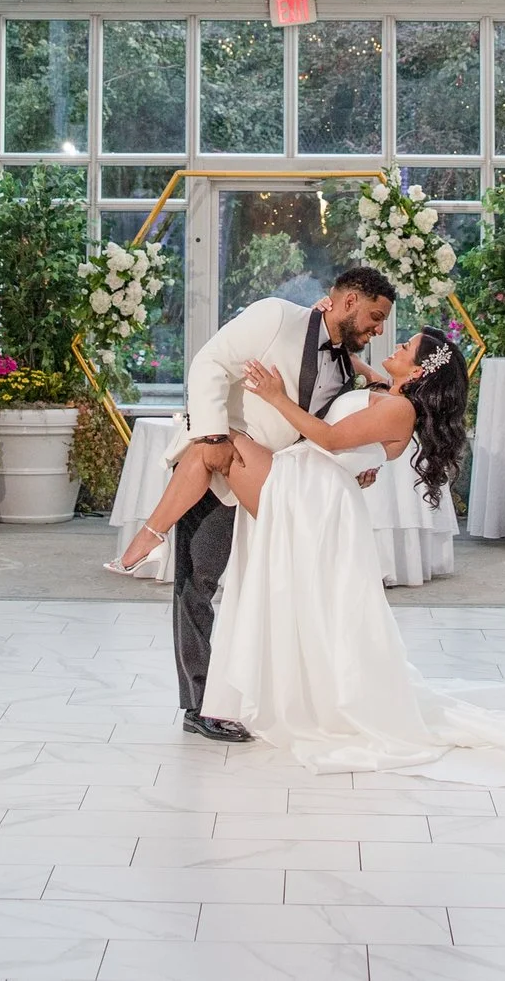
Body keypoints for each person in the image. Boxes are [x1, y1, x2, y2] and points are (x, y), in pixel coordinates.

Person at [201, 327, 505, 788]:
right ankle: (293, 688)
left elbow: (332, 438)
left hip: (316, 500)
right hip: (318, 498)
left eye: (405, 348)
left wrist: (275, 397)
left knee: (233, 460)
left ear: (419, 370)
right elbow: (359, 394)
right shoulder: (391, 394)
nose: (394, 348)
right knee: (303, 601)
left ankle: (301, 691)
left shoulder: (399, 409)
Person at [126, 267, 395, 743]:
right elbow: (209, 363)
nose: (378, 330)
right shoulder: (275, 316)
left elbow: (326, 429)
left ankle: (271, 695)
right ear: (350, 300)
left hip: (275, 480)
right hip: (220, 461)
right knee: (201, 581)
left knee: (265, 591)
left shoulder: (343, 363)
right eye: (376, 317)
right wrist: (210, 436)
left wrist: (359, 463)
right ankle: (201, 703)